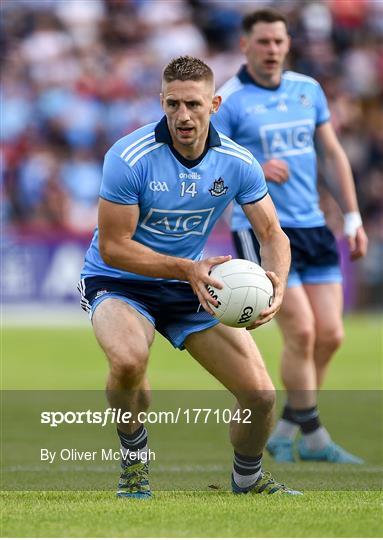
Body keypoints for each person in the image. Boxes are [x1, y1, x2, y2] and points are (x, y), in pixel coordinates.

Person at [78, 55, 301, 498]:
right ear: (161, 101)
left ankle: (248, 479)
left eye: (194, 105)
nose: (183, 115)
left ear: (214, 104)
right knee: (127, 361)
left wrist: (275, 284)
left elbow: (272, 233)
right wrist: (186, 268)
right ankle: (134, 464)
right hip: (120, 280)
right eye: (174, 104)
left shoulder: (237, 162)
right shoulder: (128, 156)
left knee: (259, 396)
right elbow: (114, 246)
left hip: (192, 284)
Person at [213, 9, 368, 464]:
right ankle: (315, 438)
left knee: (331, 335)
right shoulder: (230, 101)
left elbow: (332, 153)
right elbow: (209, 162)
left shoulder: (308, 90)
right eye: (263, 42)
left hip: (315, 224)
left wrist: (354, 216)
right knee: (300, 331)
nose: (273, 50)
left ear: (287, 44)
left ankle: (285, 428)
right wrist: (255, 169)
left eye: (279, 42)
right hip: (262, 230)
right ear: (245, 45)